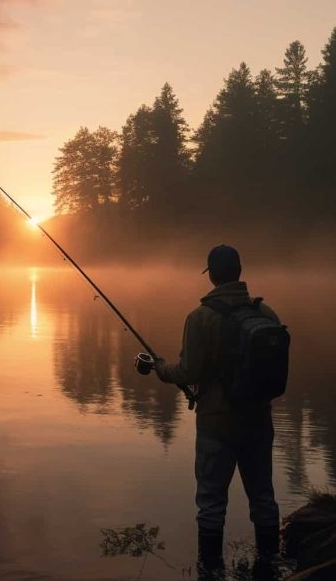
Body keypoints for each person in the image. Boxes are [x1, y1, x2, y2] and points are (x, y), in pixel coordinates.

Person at [139, 245, 281, 575]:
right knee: (263, 496)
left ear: (213, 275)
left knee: (211, 502)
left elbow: (188, 373)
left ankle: (210, 569)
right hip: (259, 419)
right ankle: (271, 562)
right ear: (240, 271)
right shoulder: (267, 314)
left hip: (217, 422)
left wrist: (159, 368)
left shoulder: (200, 318)